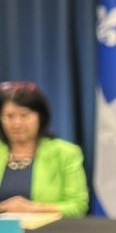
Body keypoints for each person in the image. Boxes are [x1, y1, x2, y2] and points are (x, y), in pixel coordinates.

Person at [0, 82, 88, 217]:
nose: (16, 123)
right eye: (10, 116)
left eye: (24, 115)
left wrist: (32, 208)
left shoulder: (66, 153)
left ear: (40, 117)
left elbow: (78, 206)